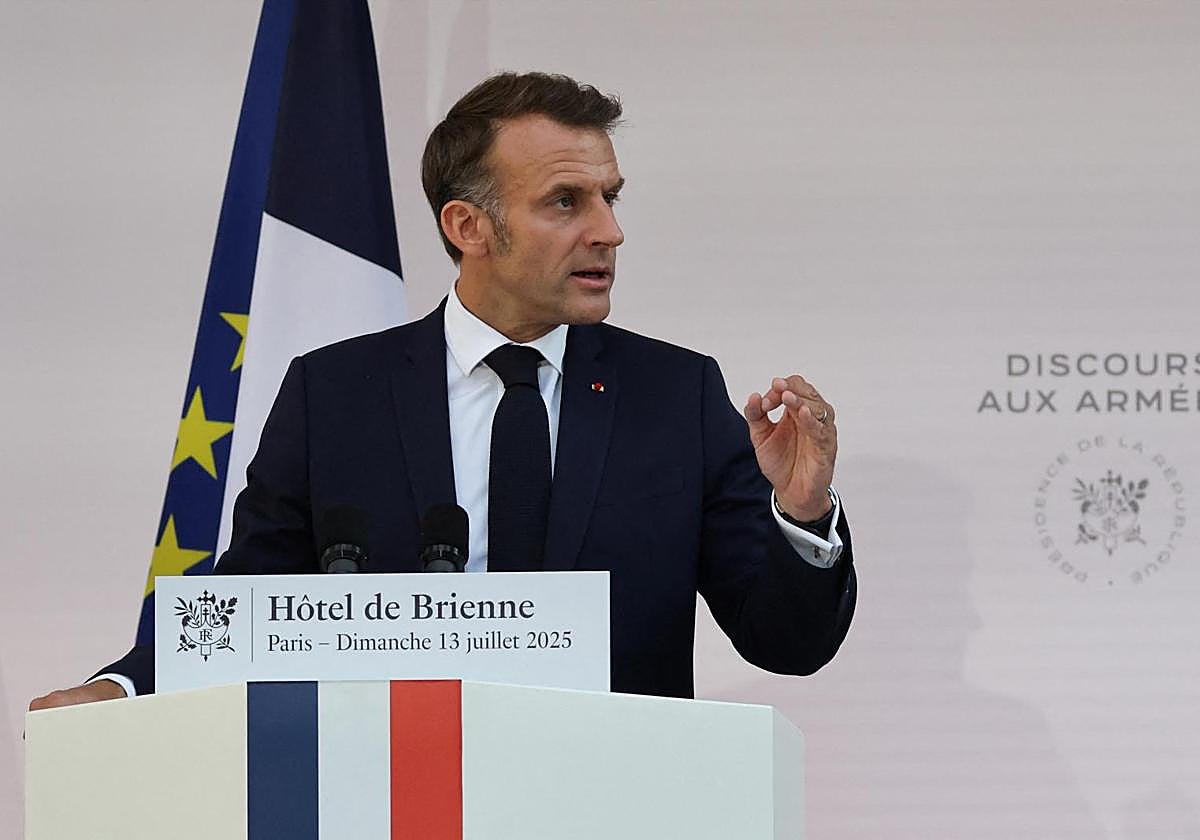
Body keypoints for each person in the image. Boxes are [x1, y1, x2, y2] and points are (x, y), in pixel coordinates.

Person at [31, 71, 855, 709]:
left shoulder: (675, 394)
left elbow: (788, 642)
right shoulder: (336, 396)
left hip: (613, 799)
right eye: (565, 201)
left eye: (610, 196)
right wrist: (124, 686)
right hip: (395, 796)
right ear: (468, 227)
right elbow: (251, 596)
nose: (609, 229)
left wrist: (804, 514)